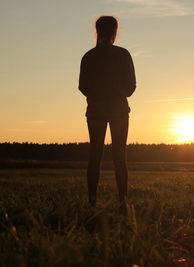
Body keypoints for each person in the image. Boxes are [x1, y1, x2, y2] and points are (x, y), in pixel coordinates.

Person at [78, 16, 136, 209]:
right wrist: (117, 94)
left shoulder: (88, 56)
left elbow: (82, 86)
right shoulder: (122, 54)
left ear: (97, 31)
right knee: (120, 156)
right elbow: (131, 86)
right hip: (118, 109)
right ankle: (123, 201)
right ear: (115, 31)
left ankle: (92, 201)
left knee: (95, 155)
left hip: (95, 110)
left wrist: (97, 97)